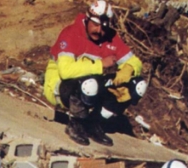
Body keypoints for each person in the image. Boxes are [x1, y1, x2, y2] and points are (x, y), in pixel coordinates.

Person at [43, 0, 147, 146]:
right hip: (60, 87)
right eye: (96, 25)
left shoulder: (110, 38)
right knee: (89, 83)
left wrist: (129, 68)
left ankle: (95, 123)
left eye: (103, 27)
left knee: (137, 86)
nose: (99, 31)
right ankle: (77, 123)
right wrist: (100, 65)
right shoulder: (71, 33)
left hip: (91, 86)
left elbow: (135, 61)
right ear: (87, 20)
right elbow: (65, 71)